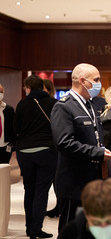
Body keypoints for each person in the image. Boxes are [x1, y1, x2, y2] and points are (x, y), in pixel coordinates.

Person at [51, 63, 111, 232]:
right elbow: (64, 142)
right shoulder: (64, 106)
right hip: (74, 183)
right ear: (82, 81)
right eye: (96, 80)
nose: (99, 84)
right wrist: (97, 152)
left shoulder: (90, 105)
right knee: (70, 233)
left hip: (93, 180)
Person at [13, 75, 58, 239]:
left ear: (28, 88)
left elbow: (16, 128)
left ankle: (28, 227)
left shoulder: (23, 104)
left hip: (24, 152)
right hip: (46, 151)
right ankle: (36, 229)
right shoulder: (53, 104)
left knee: (29, 189)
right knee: (41, 190)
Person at [43, 78, 61, 218]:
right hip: (49, 145)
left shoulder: (56, 105)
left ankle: (59, 204)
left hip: (55, 145)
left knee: (57, 179)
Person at [0, 83, 15, 164]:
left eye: (1, 92)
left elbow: (13, 127)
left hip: (5, 146)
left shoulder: (8, 109)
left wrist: (13, 143)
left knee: (4, 170)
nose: (0, 94)